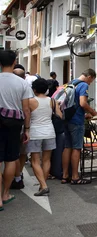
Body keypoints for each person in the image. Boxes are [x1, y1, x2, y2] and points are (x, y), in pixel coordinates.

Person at [0, 50, 33, 209]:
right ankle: (5, 194)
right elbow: (26, 110)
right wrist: (27, 129)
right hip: (14, 124)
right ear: (14, 62)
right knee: (11, 159)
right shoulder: (22, 83)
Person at [62, 69, 97, 185]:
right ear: (89, 77)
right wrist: (93, 112)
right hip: (76, 120)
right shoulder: (83, 85)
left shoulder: (71, 83)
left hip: (67, 118)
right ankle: (75, 176)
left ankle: (65, 175)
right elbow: (82, 103)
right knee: (77, 148)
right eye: (91, 80)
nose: (90, 83)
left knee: (68, 147)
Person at [27, 78, 59, 196]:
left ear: (34, 89)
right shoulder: (52, 101)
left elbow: (26, 117)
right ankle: (43, 185)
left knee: (35, 160)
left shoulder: (30, 101)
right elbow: (60, 115)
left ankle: (44, 185)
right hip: (50, 132)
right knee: (46, 160)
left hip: (35, 132)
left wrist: (26, 130)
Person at [10, 63, 29, 189]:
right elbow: (27, 109)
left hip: (9, 124)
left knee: (12, 154)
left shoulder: (7, 86)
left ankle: (14, 176)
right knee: (21, 153)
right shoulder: (25, 87)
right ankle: (18, 175)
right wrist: (28, 128)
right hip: (22, 123)